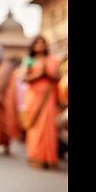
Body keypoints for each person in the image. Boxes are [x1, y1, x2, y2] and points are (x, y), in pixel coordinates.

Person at [21, 36, 61, 169]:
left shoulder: (53, 60)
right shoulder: (29, 60)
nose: (40, 45)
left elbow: (58, 76)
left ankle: (49, 158)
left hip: (48, 97)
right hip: (34, 98)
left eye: (43, 42)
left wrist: (47, 74)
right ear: (33, 46)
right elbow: (24, 78)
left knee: (48, 127)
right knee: (35, 127)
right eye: (37, 43)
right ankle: (36, 156)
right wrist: (39, 75)